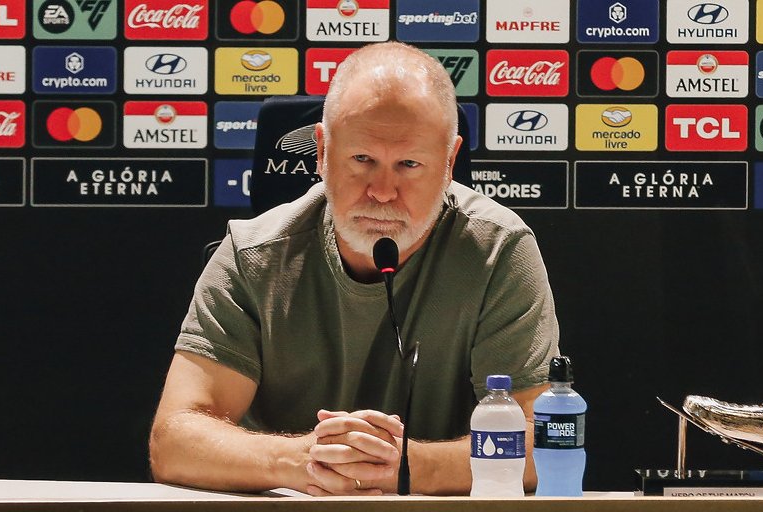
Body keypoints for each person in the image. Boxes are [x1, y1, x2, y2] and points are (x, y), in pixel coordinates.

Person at [149, 41, 559, 496]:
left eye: (409, 164)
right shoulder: (253, 253)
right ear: (322, 151)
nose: (382, 191)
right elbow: (175, 440)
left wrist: (403, 466)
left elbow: (543, 445)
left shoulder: (498, 250)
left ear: (448, 163)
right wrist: (307, 460)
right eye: (362, 160)